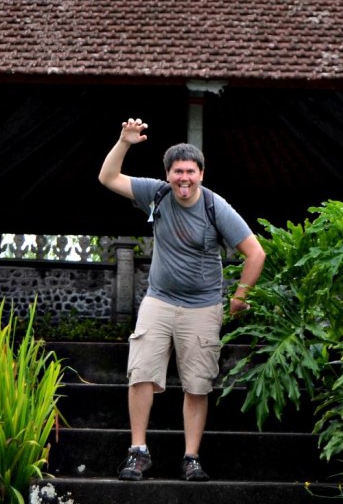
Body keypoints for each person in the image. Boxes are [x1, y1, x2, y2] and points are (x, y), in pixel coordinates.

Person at [98, 118, 266, 481]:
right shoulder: (155, 194)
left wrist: (239, 298)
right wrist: (124, 142)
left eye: (190, 171)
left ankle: (191, 457)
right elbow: (108, 178)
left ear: (201, 174)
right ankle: (138, 451)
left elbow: (255, 253)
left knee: (197, 383)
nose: (184, 178)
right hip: (158, 300)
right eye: (177, 172)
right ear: (168, 174)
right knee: (140, 372)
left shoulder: (215, 207)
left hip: (204, 306)